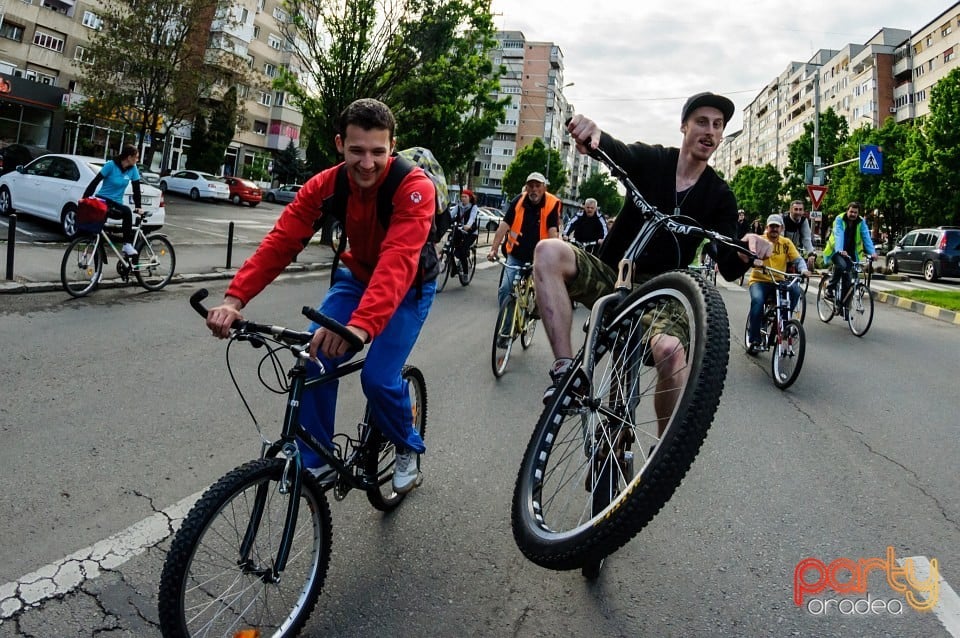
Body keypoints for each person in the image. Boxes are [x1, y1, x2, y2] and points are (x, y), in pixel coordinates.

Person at [205, 98, 436, 495]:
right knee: (312, 355)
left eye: (378, 152)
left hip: (407, 288)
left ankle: (406, 445)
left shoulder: (414, 187)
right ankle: (316, 460)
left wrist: (359, 328)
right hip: (356, 276)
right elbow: (281, 241)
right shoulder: (326, 185)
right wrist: (234, 300)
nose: (367, 162)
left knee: (378, 379)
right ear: (339, 144)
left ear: (392, 147)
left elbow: (397, 262)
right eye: (357, 150)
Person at [534, 92, 773, 432]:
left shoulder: (719, 194)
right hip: (614, 276)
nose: (710, 131)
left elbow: (729, 261)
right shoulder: (656, 161)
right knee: (547, 251)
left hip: (665, 293)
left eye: (718, 126)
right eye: (702, 122)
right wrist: (595, 138)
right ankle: (567, 374)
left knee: (671, 351)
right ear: (684, 126)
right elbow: (619, 153)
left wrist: (745, 247)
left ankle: (662, 454)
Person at [486, 171, 561, 309]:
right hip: (516, 254)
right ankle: (506, 329)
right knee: (505, 288)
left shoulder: (552, 203)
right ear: (526, 188)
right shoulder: (518, 201)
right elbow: (503, 227)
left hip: (539, 256)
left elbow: (552, 232)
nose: (534, 189)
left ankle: (532, 311)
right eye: (531, 186)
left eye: (537, 186)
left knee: (541, 293)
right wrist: (493, 250)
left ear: (544, 188)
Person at [746, 214, 809, 352]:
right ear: (767, 227)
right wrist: (754, 260)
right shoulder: (759, 240)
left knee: (795, 291)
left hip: (779, 281)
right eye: (771, 226)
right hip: (759, 280)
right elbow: (750, 254)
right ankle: (754, 338)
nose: (774, 229)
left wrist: (803, 270)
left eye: (777, 226)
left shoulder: (786, 243)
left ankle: (784, 324)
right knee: (757, 301)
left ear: (782, 228)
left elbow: (797, 259)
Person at [82, 144, 143, 256]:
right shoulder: (111, 165)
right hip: (103, 200)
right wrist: (85, 199)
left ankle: (127, 244)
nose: (138, 159)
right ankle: (97, 270)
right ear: (129, 157)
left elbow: (136, 189)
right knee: (96, 235)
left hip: (116, 204)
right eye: (136, 157)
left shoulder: (133, 169)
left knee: (126, 212)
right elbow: (95, 182)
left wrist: (138, 206)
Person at [823, 201, 877, 308]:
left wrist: (873, 252)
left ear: (858, 214)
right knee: (841, 266)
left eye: (855, 212)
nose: (853, 214)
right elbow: (839, 234)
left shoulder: (861, 222)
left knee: (848, 279)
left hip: (851, 253)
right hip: (836, 251)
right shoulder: (839, 219)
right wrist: (840, 249)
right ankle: (830, 288)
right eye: (851, 211)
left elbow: (866, 237)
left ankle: (844, 307)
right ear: (847, 211)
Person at [782, 199, 817, 270]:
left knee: (800, 271)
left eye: (800, 209)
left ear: (803, 211)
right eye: (796, 209)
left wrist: (810, 254)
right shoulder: (783, 219)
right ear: (790, 210)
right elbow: (780, 238)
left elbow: (806, 238)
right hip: (782, 250)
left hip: (795, 250)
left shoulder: (804, 221)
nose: (798, 212)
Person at [451, 189, 479, 275]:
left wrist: (468, 225)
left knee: (463, 251)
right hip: (459, 230)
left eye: (465, 197)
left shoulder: (473, 207)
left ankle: (466, 273)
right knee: (450, 246)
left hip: (471, 232)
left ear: (470, 198)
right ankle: (454, 268)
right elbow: (451, 214)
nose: (463, 198)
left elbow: (472, 218)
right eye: (462, 196)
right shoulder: (458, 206)